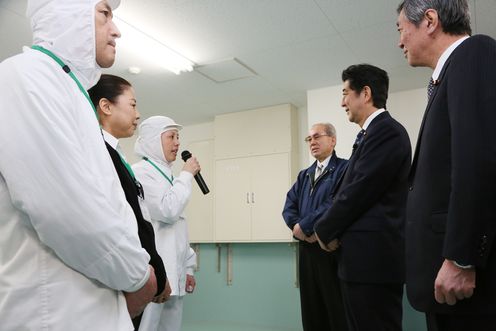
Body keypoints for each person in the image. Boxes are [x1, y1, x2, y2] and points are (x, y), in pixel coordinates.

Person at [0, 1, 158, 330]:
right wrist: (140, 275)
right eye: (104, 14)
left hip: (90, 305)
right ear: (67, 13)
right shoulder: (28, 77)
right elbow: (68, 212)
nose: (116, 30)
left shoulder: (68, 90)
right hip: (55, 313)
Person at [396, 1, 496, 329]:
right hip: (443, 281)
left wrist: (461, 257)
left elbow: (478, 160)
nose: (400, 41)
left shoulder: (473, 53)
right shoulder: (445, 79)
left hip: (464, 280)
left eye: (401, 29)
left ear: (429, 20)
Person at [314, 64, 411, 331]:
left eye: (346, 93)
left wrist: (323, 229)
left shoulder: (387, 131)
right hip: (360, 263)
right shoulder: (369, 135)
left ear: (365, 93)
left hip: (374, 265)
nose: (342, 101)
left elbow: (358, 190)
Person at [88, 74, 172, 329]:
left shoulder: (114, 154)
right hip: (128, 278)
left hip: (141, 273)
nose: (137, 115)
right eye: (133, 104)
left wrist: (157, 270)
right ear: (106, 106)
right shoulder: (100, 155)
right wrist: (149, 274)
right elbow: (125, 224)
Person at [133, 116, 198, 331]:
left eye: (178, 137)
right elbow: (167, 211)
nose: (177, 143)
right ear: (153, 141)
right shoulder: (141, 172)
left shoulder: (168, 176)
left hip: (175, 270)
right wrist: (187, 175)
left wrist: (189, 267)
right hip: (156, 272)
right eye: (171, 136)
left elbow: (178, 228)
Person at [282, 123, 348, 331]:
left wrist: (308, 227)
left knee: (336, 309)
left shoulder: (344, 169)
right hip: (307, 252)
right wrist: (297, 228)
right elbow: (289, 205)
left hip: (330, 250)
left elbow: (336, 203)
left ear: (332, 140)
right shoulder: (304, 175)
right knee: (311, 309)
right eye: (309, 139)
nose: (312, 142)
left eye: (317, 137)